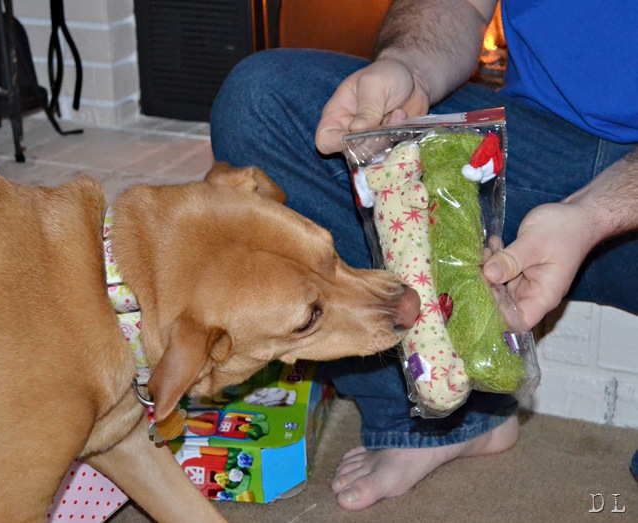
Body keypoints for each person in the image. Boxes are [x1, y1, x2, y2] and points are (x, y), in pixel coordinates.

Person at [210, 0, 638, 510]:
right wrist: (409, 68)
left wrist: (594, 215)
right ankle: (445, 418)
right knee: (258, 101)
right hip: (536, 142)